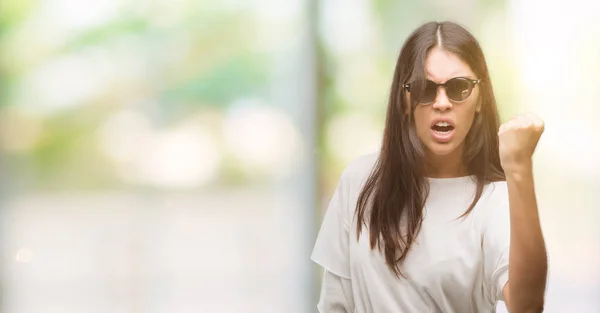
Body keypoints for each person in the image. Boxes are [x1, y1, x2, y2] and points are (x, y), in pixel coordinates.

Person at [311, 21, 548, 313]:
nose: (442, 103)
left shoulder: (494, 200)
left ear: (479, 100)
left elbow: (527, 306)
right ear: (405, 100)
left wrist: (519, 169)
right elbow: (334, 304)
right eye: (425, 88)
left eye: (459, 87)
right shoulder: (359, 181)